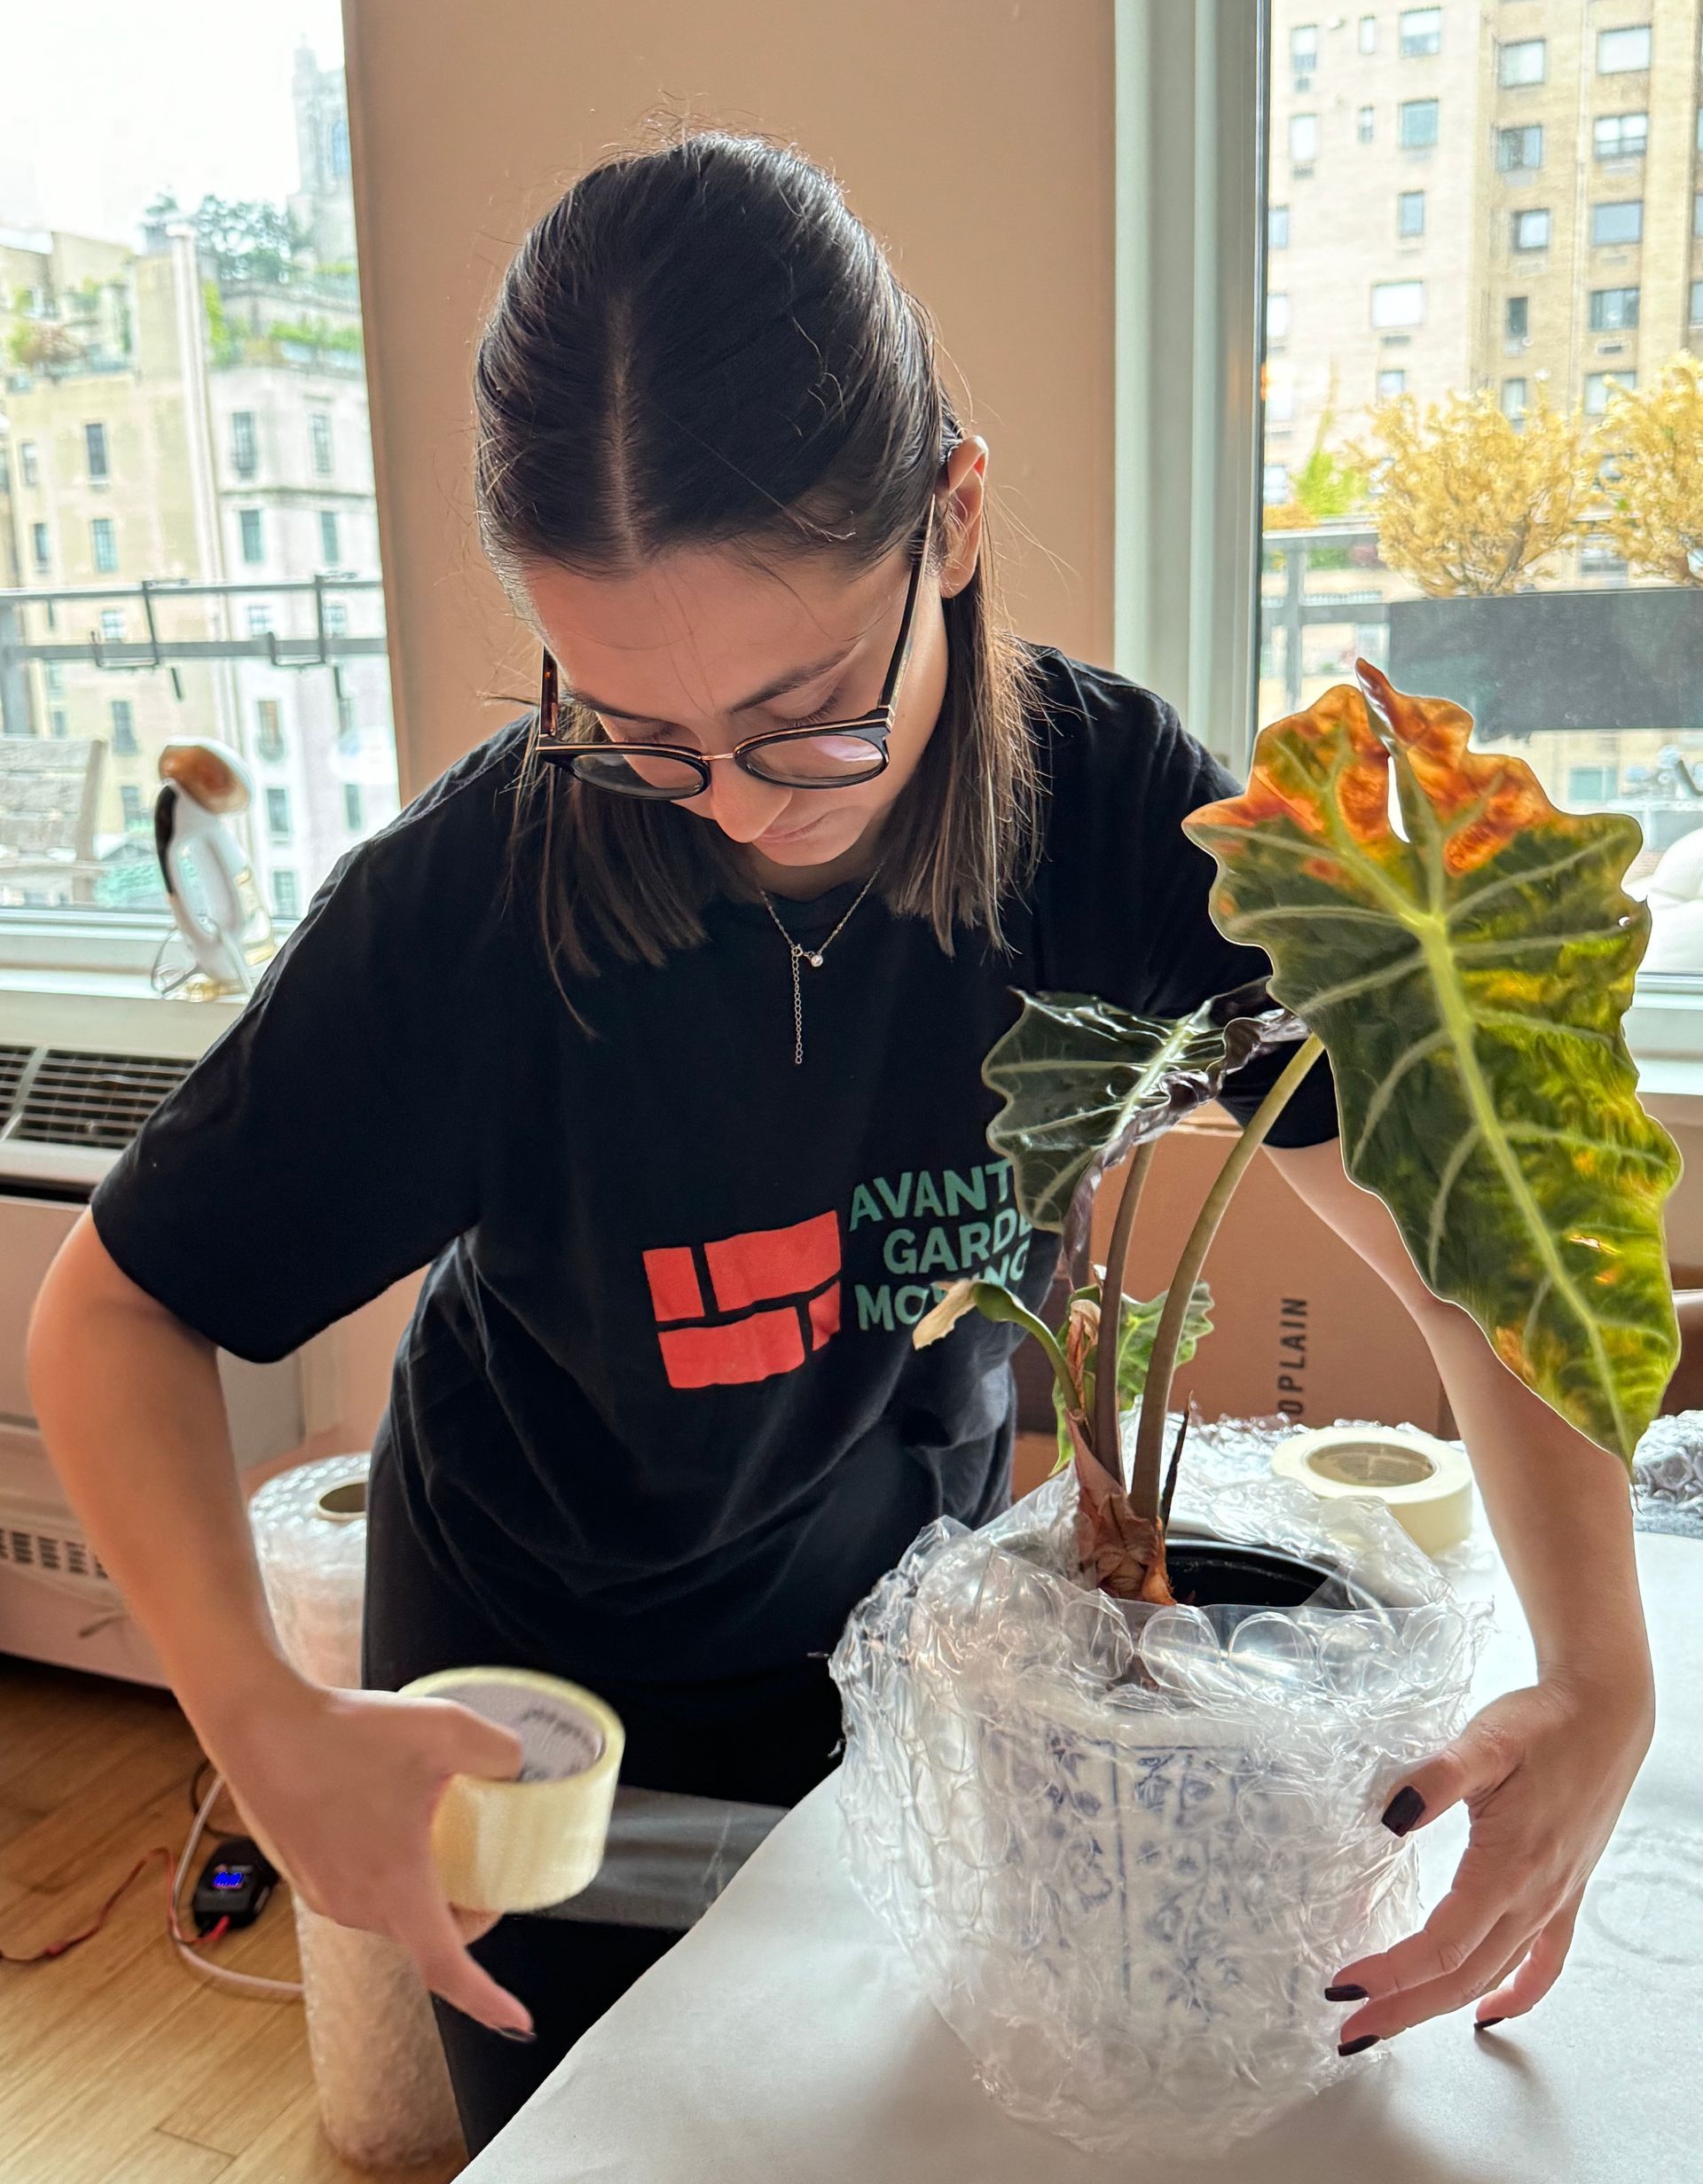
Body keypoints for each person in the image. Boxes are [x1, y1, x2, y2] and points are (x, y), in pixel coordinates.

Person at [28, 130, 1656, 2156]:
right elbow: (114, 1313)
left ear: (952, 517)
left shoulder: (1113, 814)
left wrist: (1602, 1666)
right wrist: (263, 1721)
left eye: (807, 717)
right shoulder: (484, 897)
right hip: (543, 1691)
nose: (729, 804)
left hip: (910, 1643)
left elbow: (1466, 1213)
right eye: (635, 727)